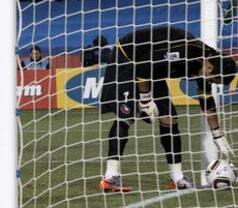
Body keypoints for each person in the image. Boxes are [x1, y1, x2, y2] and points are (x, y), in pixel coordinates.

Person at [98, 26, 237, 192]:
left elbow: (207, 101)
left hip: (151, 68)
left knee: (169, 118)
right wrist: (146, 99)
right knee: (127, 115)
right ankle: (110, 176)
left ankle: (177, 177)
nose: (213, 83)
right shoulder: (186, 53)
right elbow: (142, 66)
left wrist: (217, 134)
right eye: (215, 80)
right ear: (209, 69)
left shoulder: (209, 64)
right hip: (128, 57)